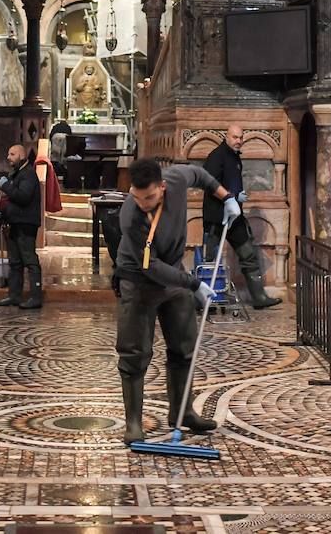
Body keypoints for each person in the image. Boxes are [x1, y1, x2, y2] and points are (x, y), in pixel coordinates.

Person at [115, 158, 242, 445]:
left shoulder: (176, 179)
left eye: (149, 197)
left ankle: (183, 412)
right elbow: (150, 267)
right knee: (134, 353)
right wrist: (194, 283)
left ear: (162, 187)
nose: (143, 203)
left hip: (174, 277)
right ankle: (133, 423)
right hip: (138, 282)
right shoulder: (130, 215)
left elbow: (200, 175)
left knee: (185, 346)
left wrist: (226, 198)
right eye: (137, 197)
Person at [203, 125, 281, 309]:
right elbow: (209, 183)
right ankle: (205, 300)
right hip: (217, 217)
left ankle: (259, 297)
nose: (238, 140)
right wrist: (230, 198)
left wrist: (237, 198)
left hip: (234, 217)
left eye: (240, 137)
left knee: (248, 255)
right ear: (226, 136)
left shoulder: (234, 156)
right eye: (235, 137)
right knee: (210, 261)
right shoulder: (217, 156)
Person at [0, 143, 43, 309]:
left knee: (30, 261)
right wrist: (3, 214)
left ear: (22, 156)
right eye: (8, 154)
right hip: (16, 222)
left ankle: (36, 297)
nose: (8, 157)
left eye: (12, 154)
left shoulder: (28, 174)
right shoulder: (17, 174)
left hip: (26, 224)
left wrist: (5, 186)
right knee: (15, 262)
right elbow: (15, 202)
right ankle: (14, 295)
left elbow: (23, 197)